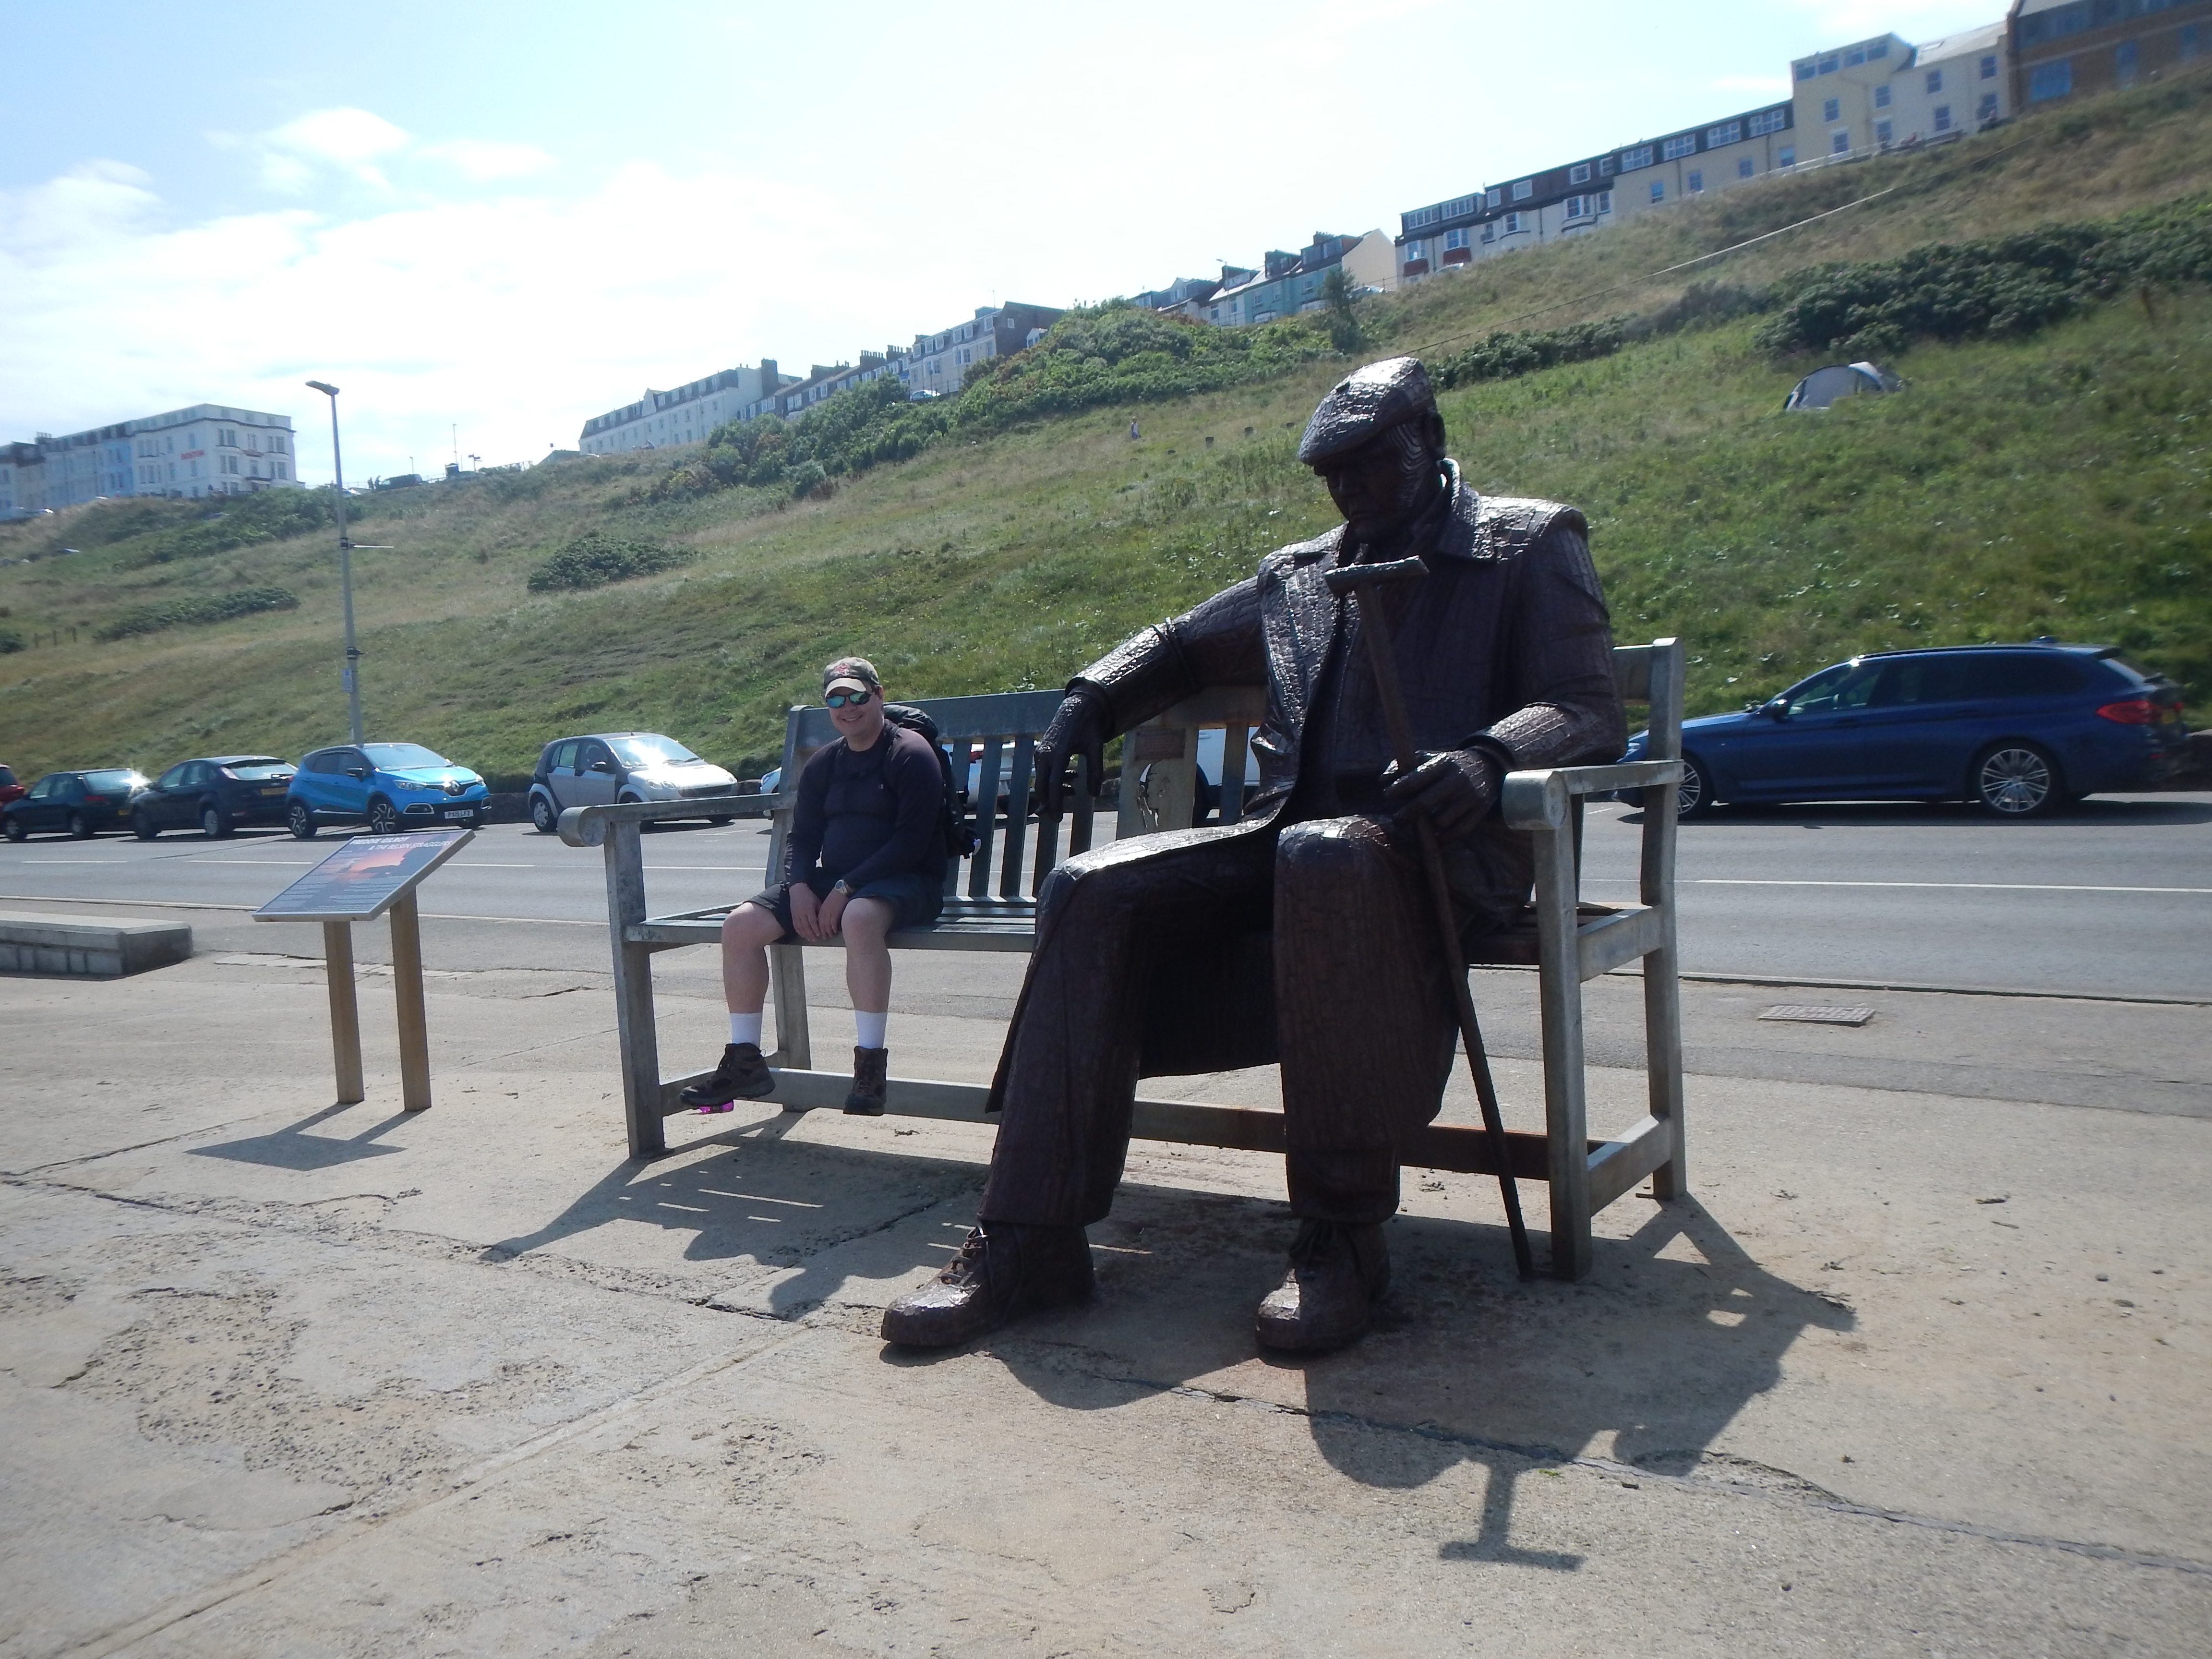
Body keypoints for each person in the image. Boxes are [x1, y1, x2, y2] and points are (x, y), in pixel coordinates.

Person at [881, 357, 1625, 1353]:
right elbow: (1180, 643)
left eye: (1374, 465)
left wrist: (1491, 757)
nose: (1354, 491)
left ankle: (1341, 1234)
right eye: (1336, 477)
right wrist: (1089, 698)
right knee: (1089, 888)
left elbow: (1587, 705)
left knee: (1328, 859)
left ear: (1432, 441)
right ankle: (1030, 1236)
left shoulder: (1527, 544)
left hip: (1438, 853)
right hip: (1288, 844)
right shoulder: (1301, 576)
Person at [681, 657, 946, 1116]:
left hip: (906, 880)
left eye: (858, 695)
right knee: (741, 925)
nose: (848, 707)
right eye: (836, 699)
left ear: (879, 696)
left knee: (860, 918)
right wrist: (800, 884)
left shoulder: (910, 753)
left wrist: (847, 887)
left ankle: (869, 1071)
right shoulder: (826, 762)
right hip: (837, 883)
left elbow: (911, 841)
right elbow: (802, 838)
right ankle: (745, 1062)